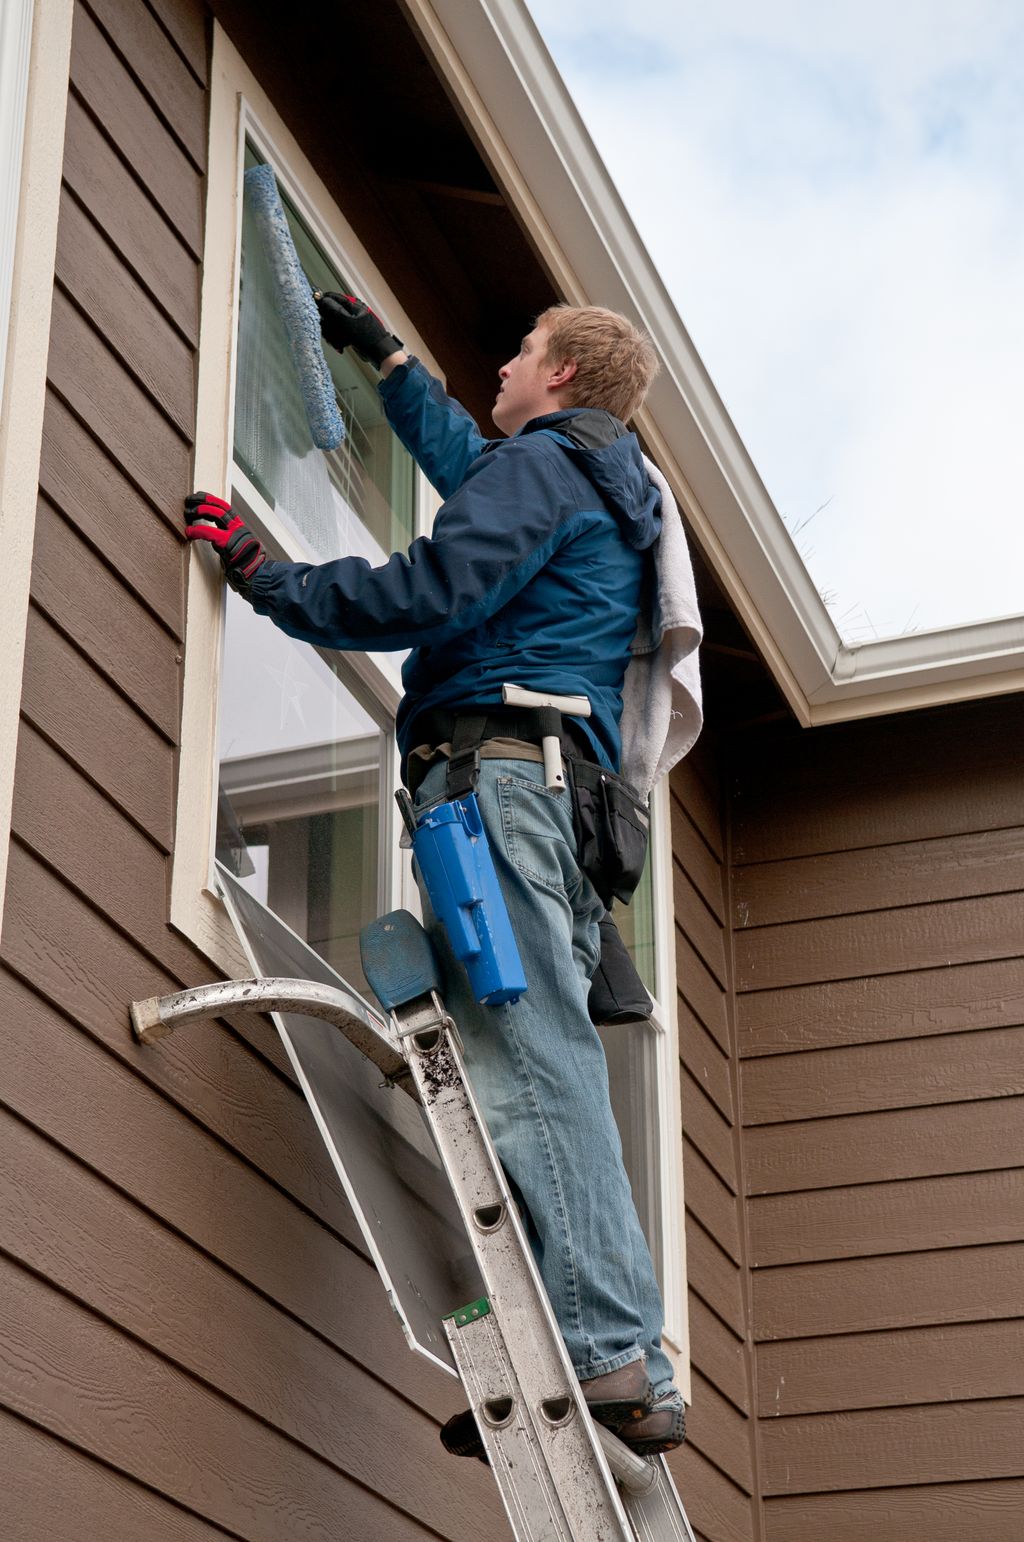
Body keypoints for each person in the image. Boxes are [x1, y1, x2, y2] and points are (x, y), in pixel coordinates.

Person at [184, 296, 686, 1456]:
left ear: (556, 374)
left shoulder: (550, 468)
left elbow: (429, 589)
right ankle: (617, 1352)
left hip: (502, 788)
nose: (497, 366)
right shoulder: (593, 478)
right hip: (543, 798)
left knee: (527, 1064)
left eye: (513, 350)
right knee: (544, 1060)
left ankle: (605, 1351)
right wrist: (395, 367)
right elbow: (479, 470)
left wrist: (272, 577)